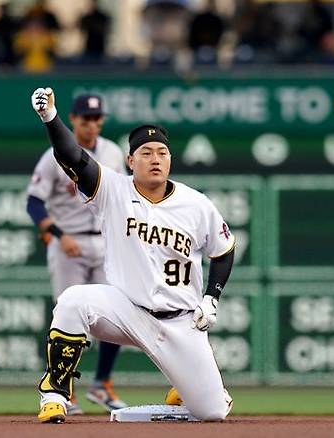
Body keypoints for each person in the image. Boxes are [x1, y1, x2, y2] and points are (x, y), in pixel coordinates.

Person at [30, 87, 236, 424]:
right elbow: (72, 156)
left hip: (181, 321)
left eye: (162, 153)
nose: (155, 159)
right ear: (130, 161)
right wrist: (50, 117)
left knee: (212, 412)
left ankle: (185, 387)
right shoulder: (113, 189)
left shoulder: (196, 204)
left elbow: (224, 250)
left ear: (170, 159)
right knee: (72, 301)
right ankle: (54, 393)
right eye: (146, 153)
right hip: (127, 310)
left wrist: (211, 298)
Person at [26, 94, 127, 415]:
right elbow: (33, 202)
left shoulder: (112, 152)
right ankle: (63, 389)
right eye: (86, 119)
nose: (92, 124)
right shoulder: (53, 155)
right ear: (73, 119)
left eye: (97, 118)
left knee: (117, 312)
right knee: (68, 316)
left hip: (106, 242)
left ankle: (101, 382)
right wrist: (56, 233)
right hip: (69, 244)